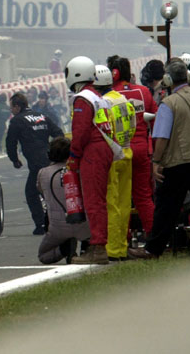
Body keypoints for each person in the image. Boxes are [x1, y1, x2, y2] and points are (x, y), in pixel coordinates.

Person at [129, 60, 190, 259]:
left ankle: (153, 248)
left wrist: (157, 161)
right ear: (188, 77)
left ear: (167, 79)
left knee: (166, 207)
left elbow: (162, 137)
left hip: (178, 162)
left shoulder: (169, 103)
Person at [64, 56, 114, 265]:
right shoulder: (98, 96)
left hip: (92, 151)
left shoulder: (82, 99)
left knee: (93, 202)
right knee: (99, 200)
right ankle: (98, 243)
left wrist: (73, 156)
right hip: (105, 148)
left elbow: (81, 131)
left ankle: (98, 247)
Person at [109, 55, 158, 241]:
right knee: (144, 197)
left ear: (113, 73)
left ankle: (124, 239)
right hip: (142, 149)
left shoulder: (109, 95)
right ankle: (153, 237)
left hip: (119, 151)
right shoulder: (144, 91)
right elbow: (156, 120)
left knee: (119, 198)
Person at [94, 65, 136, 261]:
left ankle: (112, 249)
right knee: (124, 205)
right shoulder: (123, 99)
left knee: (111, 205)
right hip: (126, 152)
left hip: (111, 156)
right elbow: (133, 125)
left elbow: (102, 130)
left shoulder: (102, 103)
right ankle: (121, 248)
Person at [5, 92, 63, 235]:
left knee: (32, 193)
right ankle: (57, 220)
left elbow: (10, 142)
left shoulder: (17, 121)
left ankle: (42, 223)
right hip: (50, 159)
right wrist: (55, 152)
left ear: (17, 107)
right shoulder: (41, 116)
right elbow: (59, 133)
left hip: (37, 163)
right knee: (49, 191)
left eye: (11, 108)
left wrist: (14, 160)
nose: (11, 111)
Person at [37, 137, 91, 264]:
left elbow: (42, 192)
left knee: (43, 255)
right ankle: (87, 247)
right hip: (84, 223)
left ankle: (64, 249)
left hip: (57, 227)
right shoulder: (80, 169)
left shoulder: (42, 173)